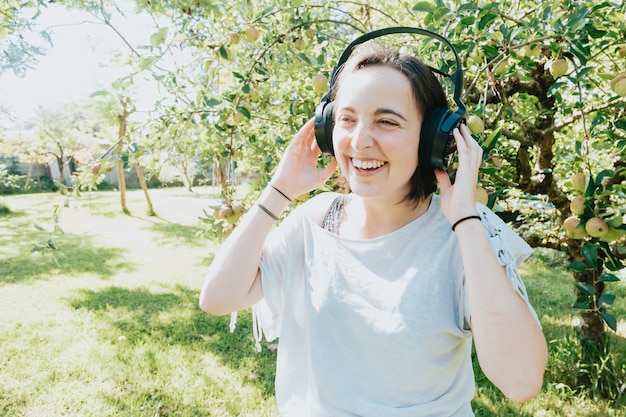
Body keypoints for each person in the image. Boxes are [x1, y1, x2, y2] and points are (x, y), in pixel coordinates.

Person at [199, 42, 548, 416]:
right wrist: (280, 189)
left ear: (434, 138)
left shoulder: (466, 233)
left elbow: (521, 381)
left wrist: (465, 220)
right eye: (347, 119)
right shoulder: (316, 221)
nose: (360, 140)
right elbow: (218, 298)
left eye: (387, 121)